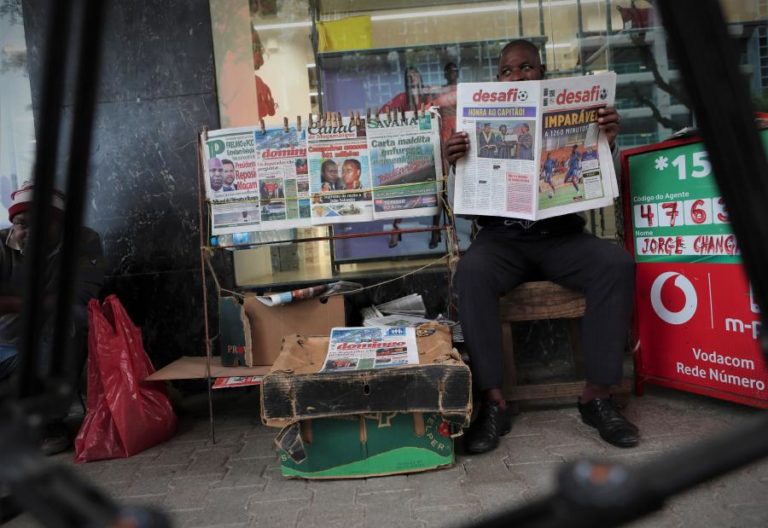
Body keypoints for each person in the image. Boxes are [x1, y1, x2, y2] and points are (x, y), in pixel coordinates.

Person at [445, 39, 637, 454]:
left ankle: (597, 397)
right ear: (498, 79)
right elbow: (460, 201)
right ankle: (492, 402)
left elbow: (601, 181)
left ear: (542, 73)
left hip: (561, 237)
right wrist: (454, 162)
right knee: (472, 273)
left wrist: (606, 140)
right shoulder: (475, 124)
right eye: (508, 71)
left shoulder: (572, 112)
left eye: (526, 67)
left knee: (615, 264)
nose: (517, 76)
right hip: (501, 240)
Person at [0, 181, 105, 454]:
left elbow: (80, 295)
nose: (27, 233)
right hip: (4, 343)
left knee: (74, 319)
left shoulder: (84, 241)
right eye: (21, 224)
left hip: (46, 338)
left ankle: (50, 422)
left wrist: (13, 304)